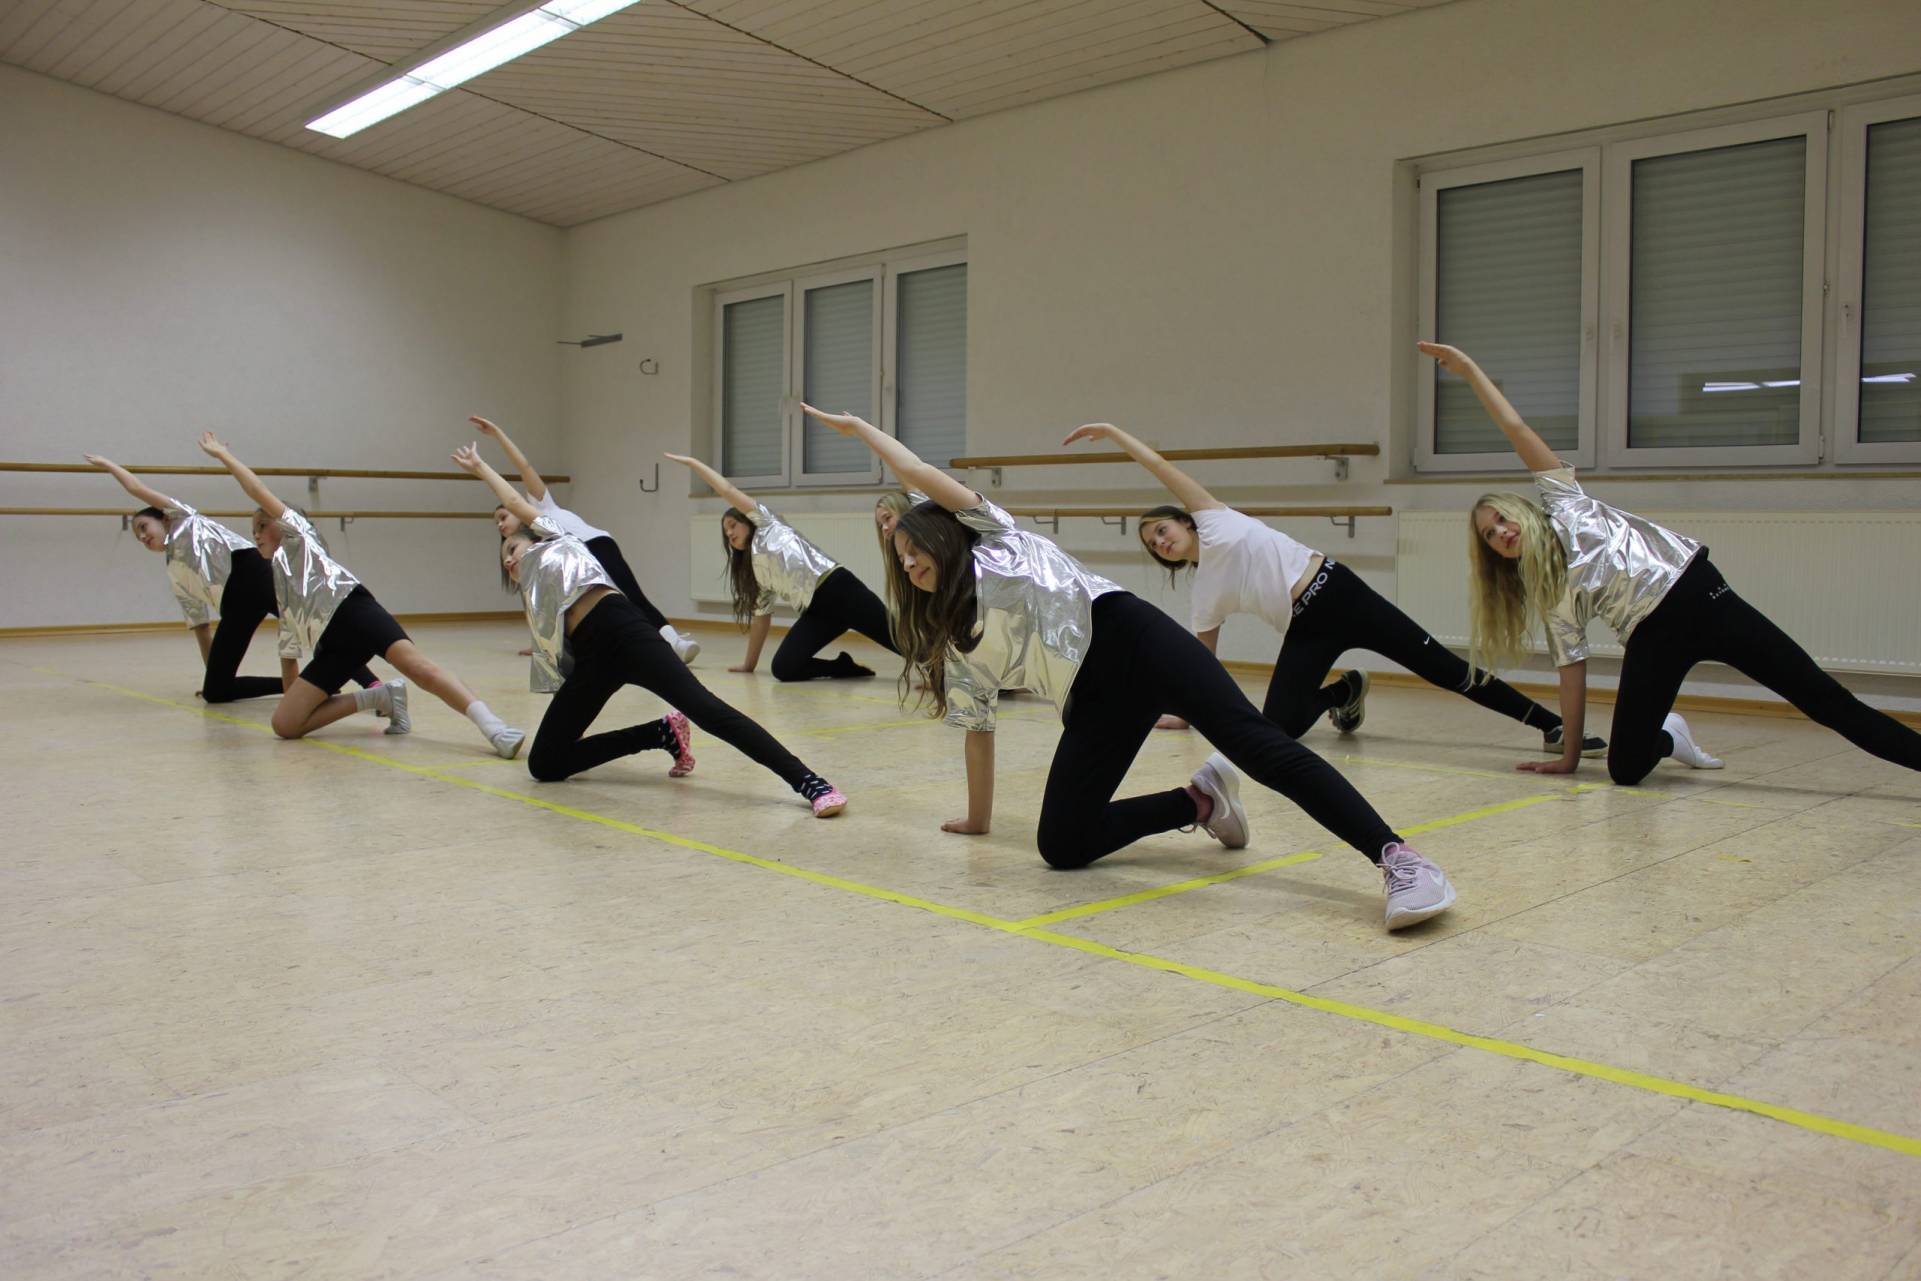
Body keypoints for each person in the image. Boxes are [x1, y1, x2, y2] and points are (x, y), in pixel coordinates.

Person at [799, 404, 1456, 931]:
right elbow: (978, 729)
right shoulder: (956, 639)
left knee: (1258, 747)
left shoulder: (993, 534)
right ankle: (1198, 800)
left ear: (944, 534)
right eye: (901, 561)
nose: (909, 564)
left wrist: (861, 432)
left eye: (914, 549)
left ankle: (1398, 858)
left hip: (1132, 638)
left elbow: (917, 469)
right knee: (1061, 843)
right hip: (1091, 698)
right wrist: (978, 818)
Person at [1420, 339, 1921, 783]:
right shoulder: (1548, 593)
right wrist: (1569, 757)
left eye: (1502, 519)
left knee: (1823, 700)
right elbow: (1571, 672)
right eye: (1490, 535)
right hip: (1651, 637)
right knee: (1625, 769)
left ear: (1523, 512)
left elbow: (1515, 427)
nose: (1502, 532)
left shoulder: (1565, 502)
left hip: (1700, 596)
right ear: (1493, 554)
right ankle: (1670, 735)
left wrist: (1469, 371)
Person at [1058, 423, 1601, 756]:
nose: (1162, 542)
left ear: (1184, 520)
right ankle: (1344, 692)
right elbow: (1199, 665)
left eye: (1162, 529)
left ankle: (1551, 725)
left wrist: (1113, 433)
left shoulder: (1215, 517)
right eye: (1153, 544)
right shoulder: (1205, 594)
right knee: (1279, 727)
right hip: (1304, 630)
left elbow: (1159, 465)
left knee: (1444, 668)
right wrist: (1183, 714)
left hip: (1339, 593)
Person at [453, 444, 847, 815]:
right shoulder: (537, 597)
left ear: (533, 537)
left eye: (511, 549)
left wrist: (481, 468)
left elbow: (515, 502)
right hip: (592, 657)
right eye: (504, 560)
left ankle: (809, 781)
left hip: (625, 631)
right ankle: (659, 733)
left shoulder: (557, 538)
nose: (509, 561)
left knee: (707, 710)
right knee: (544, 763)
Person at [198, 432, 524, 756]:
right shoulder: (277, 581)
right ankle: (381, 696)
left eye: (261, 525)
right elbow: (289, 650)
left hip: (355, 612)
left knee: (420, 669)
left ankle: (493, 726)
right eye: (252, 530)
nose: (255, 535)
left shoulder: (299, 537)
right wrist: (294, 697)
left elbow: (257, 489)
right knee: (285, 724)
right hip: (334, 645)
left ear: (283, 523)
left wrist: (224, 457)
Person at [82, 452, 380, 704]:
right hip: (235, 607)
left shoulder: (185, 519)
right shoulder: (174, 573)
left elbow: (136, 487)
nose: (142, 537)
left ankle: (372, 684)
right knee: (215, 692)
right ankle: (303, 685)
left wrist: (110, 466)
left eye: (144, 527)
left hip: (250, 574)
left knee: (313, 627)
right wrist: (213, 673)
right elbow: (201, 629)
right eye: (138, 536)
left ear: (164, 517)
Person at [470, 415, 698, 664]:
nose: (500, 525)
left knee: (631, 595)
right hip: (578, 566)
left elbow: (524, 466)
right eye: (497, 523)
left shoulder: (541, 506)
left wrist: (498, 435)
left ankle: (674, 642)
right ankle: (647, 648)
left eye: (502, 516)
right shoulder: (532, 549)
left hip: (594, 545)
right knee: (607, 608)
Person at [664, 452, 898, 681]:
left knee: (900, 640)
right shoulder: (756, 573)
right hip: (817, 612)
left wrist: (695, 464)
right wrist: (749, 665)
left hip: (839, 590)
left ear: (747, 520)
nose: (729, 533)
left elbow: (727, 490)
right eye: (726, 533)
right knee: (783, 668)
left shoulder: (767, 523)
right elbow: (761, 619)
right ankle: (842, 667)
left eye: (733, 525)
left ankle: (926, 669)